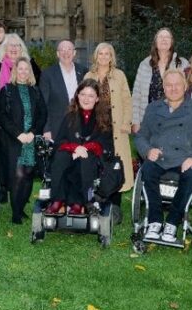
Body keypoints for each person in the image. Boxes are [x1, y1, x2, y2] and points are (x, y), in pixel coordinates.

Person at [134, 69, 192, 243]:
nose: (173, 89)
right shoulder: (154, 107)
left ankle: (172, 222)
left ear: (185, 86)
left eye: (177, 84)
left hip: (187, 158)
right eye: (169, 85)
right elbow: (141, 136)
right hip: (160, 157)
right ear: (163, 88)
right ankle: (155, 221)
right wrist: (148, 150)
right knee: (147, 170)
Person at [43, 79, 112, 216]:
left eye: (91, 95)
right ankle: (57, 200)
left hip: (91, 155)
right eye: (83, 94)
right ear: (77, 96)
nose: (86, 99)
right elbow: (60, 140)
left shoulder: (103, 118)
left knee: (84, 161)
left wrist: (85, 148)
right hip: (71, 153)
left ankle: (79, 202)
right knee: (61, 157)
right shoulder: (70, 116)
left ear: (97, 98)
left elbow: (105, 143)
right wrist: (74, 148)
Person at [0, 57, 47, 224]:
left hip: (31, 140)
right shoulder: (7, 90)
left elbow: (42, 115)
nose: (23, 72)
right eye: (20, 69)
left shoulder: (35, 91)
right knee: (17, 175)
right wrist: (18, 134)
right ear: (15, 71)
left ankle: (21, 208)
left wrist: (33, 133)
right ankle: (15, 213)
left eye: (27, 69)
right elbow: (2, 116)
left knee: (28, 175)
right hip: (14, 140)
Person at [84, 42, 133, 201]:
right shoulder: (88, 76)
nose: (104, 57)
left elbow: (127, 100)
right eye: (101, 53)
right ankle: (97, 199)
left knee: (115, 164)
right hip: (95, 128)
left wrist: (127, 122)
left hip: (116, 127)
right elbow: (82, 101)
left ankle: (115, 205)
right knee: (97, 161)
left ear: (112, 57)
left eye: (107, 54)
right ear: (96, 56)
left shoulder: (119, 75)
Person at [132, 28, 190, 133]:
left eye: (167, 37)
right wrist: (135, 121)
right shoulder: (145, 64)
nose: (164, 39)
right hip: (149, 120)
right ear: (155, 42)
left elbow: (188, 92)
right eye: (161, 37)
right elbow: (136, 95)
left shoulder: (182, 64)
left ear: (172, 42)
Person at [39, 39, 88, 142]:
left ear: (74, 52)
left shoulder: (84, 72)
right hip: (56, 128)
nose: (66, 53)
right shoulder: (47, 74)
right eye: (62, 50)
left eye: (69, 49)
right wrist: (46, 129)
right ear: (58, 53)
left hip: (80, 126)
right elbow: (43, 104)